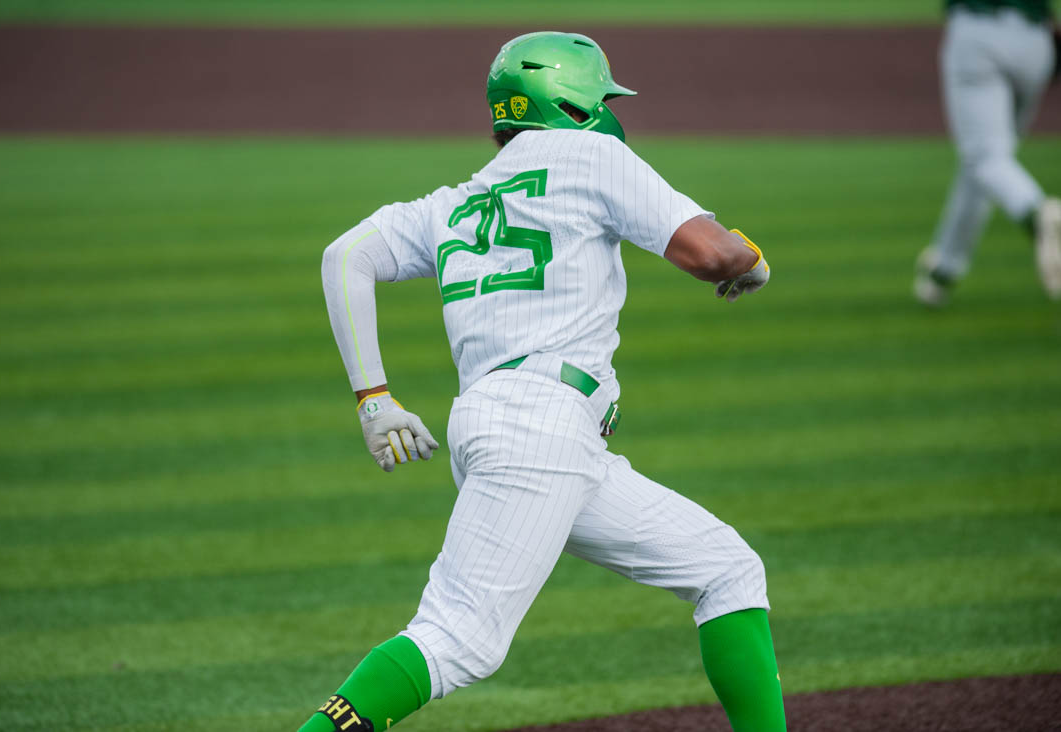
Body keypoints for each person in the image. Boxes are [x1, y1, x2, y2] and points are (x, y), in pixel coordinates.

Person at [302, 32, 785, 732]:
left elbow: (344, 256)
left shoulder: (457, 203)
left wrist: (373, 398)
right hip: (539, 430)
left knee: (725, 568)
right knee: (456, 638)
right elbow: (712, 252)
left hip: (523, 431)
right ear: (578, 104)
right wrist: (751, 259)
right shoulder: (594, 156)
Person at [915, 0, 1061, 306]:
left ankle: (1039, 214)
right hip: (1036, 41)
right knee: (989, 164)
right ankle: (945, 268)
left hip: (977, 34)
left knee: (986, 158)